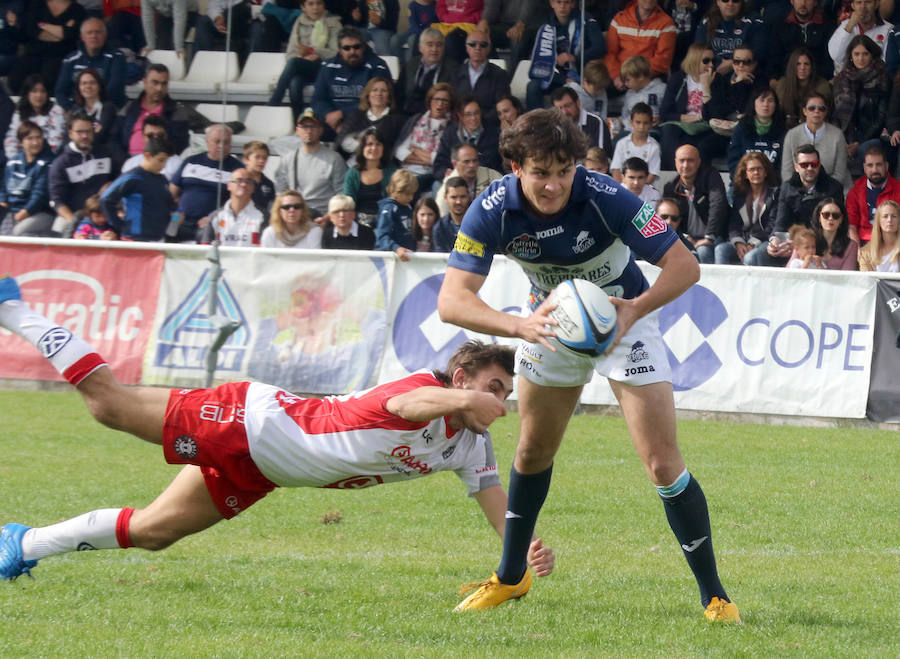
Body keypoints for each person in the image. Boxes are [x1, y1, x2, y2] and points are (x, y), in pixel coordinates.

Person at [0, 282, 554, 587]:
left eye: (505, 393)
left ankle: (21, 544)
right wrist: (466, 399)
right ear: (461, 379)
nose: (498, 401)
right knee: (110, 405)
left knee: (154, 532)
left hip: (264, 469)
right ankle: (13, 306)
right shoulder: (424, 391)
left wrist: (524, 549)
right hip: (248, 422)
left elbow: (497, 505)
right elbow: (407, 404)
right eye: (493, 387)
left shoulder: (471, 444)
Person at [436, 108, 739, 622]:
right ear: (515, 167)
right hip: (549, 327)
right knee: (532, 450)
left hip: (626, 319)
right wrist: (521, 326)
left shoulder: (607, 196)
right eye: (540, 172)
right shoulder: (491, 209)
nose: (553, 184)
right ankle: (511, 577)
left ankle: (715, 596)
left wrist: (634, 311)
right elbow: (452, 302)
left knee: (662, 463)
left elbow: (686, 265)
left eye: (564, 170)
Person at [767, 144, 845, 267]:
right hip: (792, 241)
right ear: (796, 167)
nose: (809, 168)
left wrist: (799, 244)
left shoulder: (833, 188)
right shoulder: (787, 188)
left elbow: (833, 224)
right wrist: (775, 242)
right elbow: (781, 223)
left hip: (820, 244)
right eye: (804, 165)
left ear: (819, 165)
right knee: (756, 257)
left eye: (813, 164)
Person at [311, 27, 392, 138]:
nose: (352, 51)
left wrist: (341, 114)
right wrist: (329, 116)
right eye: (347, 48)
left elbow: (378, 101)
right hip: (331, 122)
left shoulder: (377, 66)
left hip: (364, 122)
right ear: (339, 50)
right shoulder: (328, 66)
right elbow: (318, 99)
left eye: (356, 47)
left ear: (363, 47)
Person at [267, 0, 342, 119]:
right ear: (303, 7)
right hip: (303, 65)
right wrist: (305, 57)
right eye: (311, 4)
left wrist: (314, 52)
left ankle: (274, 102)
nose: (315, 8)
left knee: (294, 63)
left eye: (319, 3)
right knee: (295, 82)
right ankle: (298, 121)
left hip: (325, 67)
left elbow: (337, 53)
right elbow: (291, 52)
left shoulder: (334, 23)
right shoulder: (300, 22)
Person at [169, 124, 244, 243]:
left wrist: (215, 217)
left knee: (205, 238)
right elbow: (170, 193)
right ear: (207, 141)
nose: (221, 146)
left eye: (226, 142)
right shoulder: (191, 161)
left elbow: (239, 203)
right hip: (180, 216)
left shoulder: (237, 170)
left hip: (212, 221)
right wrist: (174, 213)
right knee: (167, 231)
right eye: (217, 141)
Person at [525, 0, 605, 110]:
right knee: (533, 86)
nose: (562, 6)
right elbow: (540, 64)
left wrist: (574, 58)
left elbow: (600, 48)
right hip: (557, 78)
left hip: (582, 77)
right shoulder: (545, 25)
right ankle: (536, 123)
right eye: (558, 2)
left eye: (566, 2)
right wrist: (564, 80)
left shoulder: (585, 20)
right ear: (552, 3)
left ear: (573, 4)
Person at [48, 112, 117, 238]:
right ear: (70, 134)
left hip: (102, 216)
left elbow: (117, 181)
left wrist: (110, 187)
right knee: (60, 231)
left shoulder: (106, 154)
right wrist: (74, 222)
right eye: (79, 132)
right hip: (72, 216)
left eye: (88, 131)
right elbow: (57, 201)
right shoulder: (60, 164)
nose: (85, 136)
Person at [100, 136, 176, 242]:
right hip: (134, 239)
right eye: (160, 160)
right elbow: (105, 199)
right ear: (147, 155)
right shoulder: (132, 177)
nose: (163, 165)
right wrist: (120, 226)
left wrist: (176, 218)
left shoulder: (162, 179)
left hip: (159, 239)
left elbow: (171, 208)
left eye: (166, 161)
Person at [275, 108, 347, 219]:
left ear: (320, 130)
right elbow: (281, 193)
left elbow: (341, 195)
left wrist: (328, 217)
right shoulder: (288, 160)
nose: (308, 131)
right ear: (297, 130)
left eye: (313, 127)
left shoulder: (334, 159)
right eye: (304, 127)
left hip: (324, 217)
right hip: (295, 216)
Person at [662, 144, 729, 264]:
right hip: (686, 238)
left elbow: (718, 205)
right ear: (676, 163)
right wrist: (686, 238)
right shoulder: (671, 187)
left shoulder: (711, 177)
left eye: (690, 160)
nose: (686, 165)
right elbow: (670, 218)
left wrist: (709, 236)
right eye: (682, 161)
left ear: (698, 162)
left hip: (714, 236)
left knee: (703, 251)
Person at [832, 35, 890, 170]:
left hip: (872, 135)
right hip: (845, 135)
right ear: (851, 55)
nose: (860, 58)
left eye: (865, 54)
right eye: (856, 54)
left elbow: (881, 118)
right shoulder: (841, 79)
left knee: (868, 148)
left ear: (872, 55)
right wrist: (843, 141)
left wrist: (859, 142)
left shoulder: (882, 77)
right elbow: (835, 115)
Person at [659, 43, 719, 169]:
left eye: (713, 61)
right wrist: (695, 117)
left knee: (703, 144)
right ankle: (672, 174)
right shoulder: (678, 79)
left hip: (706, 128)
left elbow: (714, 115)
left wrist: (707, 88)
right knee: (669, 131)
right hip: (684, 125)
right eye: (706, 61)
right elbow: (665, 113)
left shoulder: (717, 80)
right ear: (694, 60)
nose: (711, 65)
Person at [7, 0, 87, 95]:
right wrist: (60, 32)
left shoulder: (78, 10)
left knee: (51, 78)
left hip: (60, 54)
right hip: (34, 53)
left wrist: (42, 26)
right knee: (16, 79)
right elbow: (32, 30)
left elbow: (71, 34)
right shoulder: (36, 5)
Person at [54, 17, 127, 110]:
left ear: (105, 35)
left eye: (98, 32)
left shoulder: (117, 57)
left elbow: (115, 88)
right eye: (89, 32)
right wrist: (73, 110)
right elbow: (60, 91)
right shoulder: (70, 59)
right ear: (82, 37)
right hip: (76, 112)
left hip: (109, 110)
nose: (94, 36)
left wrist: (94, 109)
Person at [780, 92, 851, 189]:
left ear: (826, 112)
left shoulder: (837, 135)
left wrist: (819, 192)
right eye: (812, 108)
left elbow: (840, 173)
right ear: (804, 111)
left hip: (832, 190)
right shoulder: (791, 135)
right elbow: (787, 173)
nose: (816, 111)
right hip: (799, 190)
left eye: (821, 108)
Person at [394, 83, 455, 191]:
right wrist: (428, 159)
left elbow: (440, 159)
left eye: (445, 100)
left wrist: (415, 150)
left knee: (406, 187)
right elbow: (399, 151)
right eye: (436, 99)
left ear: (450, 104)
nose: (440, 104)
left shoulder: (451, 127)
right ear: (430, 101)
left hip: (429, 175)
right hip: (406, 171)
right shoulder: (416, 119)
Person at [120, 64, 190, 157]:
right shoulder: (129, 108)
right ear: (144, 82)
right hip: (128, 160)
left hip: (160, 162)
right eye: (155, 83)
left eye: (164, 84)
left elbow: (179, 145)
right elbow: (115, 140)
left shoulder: (177, 111)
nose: (159, 88)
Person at [605, 0, 676, 91]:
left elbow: (662, 60)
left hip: (647, 79)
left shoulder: (666, 23)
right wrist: (616, 76)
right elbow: (609, 53)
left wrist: (636, 77)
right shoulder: (619, 19)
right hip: (620, 78)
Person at [724, 151, 780, 265]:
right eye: (752, 169)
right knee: (721, 249)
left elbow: (772, 224)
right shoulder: (739, 195)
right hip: (743, 240)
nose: (756, 172)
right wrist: (738, 242)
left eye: (759, 169)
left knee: (750, 257)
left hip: (765, 240)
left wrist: (753, 243)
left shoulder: (775, 194)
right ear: (745, 174)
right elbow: (733, 224)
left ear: (765, 172)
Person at [0, 121, 53, 237]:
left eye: (38, 137)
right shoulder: (12, 162)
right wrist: (2, 205)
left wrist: (22, 214)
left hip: (40, 213)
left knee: (16, 233)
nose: (35, 142)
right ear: (21, 143)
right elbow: (3, 189)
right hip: (12, 212)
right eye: (30, 138)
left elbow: (39, 195)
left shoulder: (47, 164)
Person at [448, 29, 511, 125]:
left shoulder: (500, 75)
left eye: (483, 45)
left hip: (488, 128)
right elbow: (451, 104)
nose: (478, 48)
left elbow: (501, 107)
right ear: (466, 48)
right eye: (473, 44)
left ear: (489, 48)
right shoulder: (455, 73)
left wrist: (476, 121)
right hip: (458, 126)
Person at [433, 97, 503, 180]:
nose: (473, 118)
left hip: (484, 181)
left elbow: (493, 163)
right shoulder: (450, 134)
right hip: (454, 180)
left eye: (476, 113)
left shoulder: (493, 134)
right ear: (460, 116)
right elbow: (439, 164)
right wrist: (445, 172)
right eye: (468, 114)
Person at [767, 0, 836, 82]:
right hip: (787, 80)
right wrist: (774, 79)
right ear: (792, 1)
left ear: (815, 2)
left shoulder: (828, 25)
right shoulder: (780, 25)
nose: (803, 3)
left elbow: (828, 60)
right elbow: (774, 57)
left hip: (817, 80)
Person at [396, 27, 459, 116]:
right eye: (430, 45)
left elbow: (452, 100)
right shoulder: (411, 64)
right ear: (420, 48)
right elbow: (399, 93)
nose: (434, 49)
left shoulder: (453, 69)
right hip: (407, 114)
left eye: (439, 45)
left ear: (444, 48)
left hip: (437, 115)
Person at [337, 77, 407, 158]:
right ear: (368, 95)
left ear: (389, 96)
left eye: (383, 91)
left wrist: (361, 141)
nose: (379, 93)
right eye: (374, 90)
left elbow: (392, 147)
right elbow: (343, 143)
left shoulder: (397, 120)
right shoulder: (356, 116)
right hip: (355, 163)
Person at [694, 0, 766, 76]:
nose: (730, 4)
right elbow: (698, 50)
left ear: (741, 3)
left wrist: (733, 63)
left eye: (735, 0)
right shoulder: (707, 21)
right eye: (725, 0)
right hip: (712, 71)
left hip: (744, 72)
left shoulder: (754, 21)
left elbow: (759, 52)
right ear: (718, 2)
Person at [846, 144, 900, 244]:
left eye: (879, 165)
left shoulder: (898, 189)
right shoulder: (855, 190)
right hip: (864, 243)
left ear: (886, 166)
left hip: (893, 242)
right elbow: (852, 226)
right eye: (870, 165)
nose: (875, 170)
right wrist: (857, 251)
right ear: (864, 167)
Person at [726, 87, 786, 176]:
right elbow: (733, 161)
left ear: (775, 105)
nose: (766, 104)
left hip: (773, 184)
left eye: (770, 101)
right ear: (754, 103)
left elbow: (784, 165)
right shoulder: (741, 128)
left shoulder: (783, 131)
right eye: (762, 100)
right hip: (745, 181)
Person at [343, 128, 398, 226]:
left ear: (383, 148)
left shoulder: (394, 172)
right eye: (370, 144)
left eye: (378, 144)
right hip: (357, 223)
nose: (374, 148)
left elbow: (396, 202)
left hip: (385, 222)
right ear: (362, 147)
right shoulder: (352, 173)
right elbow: (348, 202)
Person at [3, 76, 66, 160]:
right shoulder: (20, 112)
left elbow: (55, 143)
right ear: (27, 93)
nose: (39, 95)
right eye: (34, 91)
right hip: (22, 159)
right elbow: (11, 139)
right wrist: (15, 160)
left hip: (48, 159)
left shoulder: (56, 111)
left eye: (42, 91)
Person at [770, 46, 834, 129]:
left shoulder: (823, 86)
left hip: (814, 129)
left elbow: (826, 115)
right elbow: (778, 113)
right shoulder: (783, 84)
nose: (802, 68)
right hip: (784, 130)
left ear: (811, 67)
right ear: (792, 66)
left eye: (806, 64)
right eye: (798, 64)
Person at [200, 168, 265, 246]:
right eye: (239, 181)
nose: (243, 185)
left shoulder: (263, 216)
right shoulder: (215, 216)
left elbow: (264, 250)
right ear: (229, 186)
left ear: (253, 188)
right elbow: (206, 247)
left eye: (248, 182)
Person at [435, 143, 502, 216]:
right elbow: (442, 215)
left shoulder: (491, 176)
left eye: (475, 160)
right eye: (466, 161)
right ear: (455, 164)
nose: (472, 165)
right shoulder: (447, 187)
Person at [828, 0, 892, 74]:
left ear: (876, 4)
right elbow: (836, 56)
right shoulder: (845, 26)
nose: (863, 7)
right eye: (859, 2)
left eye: (868, 2)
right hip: (846, 79)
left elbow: (887, 62)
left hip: (875, 79)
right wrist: (849, 26)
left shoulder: (888, 30)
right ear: (852, 5)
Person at [120, 115, 184, 182]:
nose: (155, 139)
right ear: (143, 137)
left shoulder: (177, 162)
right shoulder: (130, 163)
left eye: (160, 135)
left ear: (166, 136)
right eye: (150, 135)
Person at [67, 69, 119, 150]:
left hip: (103, 151)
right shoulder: (75, 110)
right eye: (84, 83)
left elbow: (100, 134)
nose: (88, 86)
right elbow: (68, 136)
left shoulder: (108, 108)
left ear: (99, 86)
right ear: (79, 88)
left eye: (92, 83)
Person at [610, 103, 661, 184]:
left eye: (645, 123)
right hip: (623, 188)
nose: (641, 127)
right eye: (638, 122)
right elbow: (616, 170)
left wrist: (637, 186)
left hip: (645, 189)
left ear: (651, 123)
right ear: (631, 122)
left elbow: (652, 175)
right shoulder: (622, 143)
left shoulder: (654, 146)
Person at [374, 168, 419, 259]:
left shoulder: (407, 207)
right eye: (407, 194)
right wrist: (396, 248)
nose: (411, 198)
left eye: (412, 194)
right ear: (396, 190)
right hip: (388, 258)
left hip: (405, 256)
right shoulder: (389, 209)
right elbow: (382, 236)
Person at [550, 86, 611, 153]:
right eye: (559, 108)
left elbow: (600, 156)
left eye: (568, 106)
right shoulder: (554, 125)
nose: (564, 112)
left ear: (578, 103)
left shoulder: (596, 122)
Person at [618, 56, 667, 130]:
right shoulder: (629, 94)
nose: (625, 84)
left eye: (628, 80)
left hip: (652, 132)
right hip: (629, 133)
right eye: (624, 81)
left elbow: (669, 112)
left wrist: (660, 118)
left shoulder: (661, 89)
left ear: (640, 76)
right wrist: (618, 121)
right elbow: (625, 116)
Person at [810, 197, 859, 269]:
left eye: (836, 215)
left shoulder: (851, 246)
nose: (830, 218)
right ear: (819, 217)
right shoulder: (804, 240)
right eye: (826, 215)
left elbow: (847, 277)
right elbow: (790, 270)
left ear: (841, 219)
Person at [858, 199, 900, 270]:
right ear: (878, 221)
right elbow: (867, 279)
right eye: (885, 216)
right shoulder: (865, 253)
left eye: (894, 216)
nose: (889, 220)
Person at [433, 175, 471, 251]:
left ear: (469, 197)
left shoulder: (479, 224)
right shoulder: (440, 228)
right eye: (454, 197)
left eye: (463, 197)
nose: (458, 201)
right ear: (445, 198)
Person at [241, 141, 276, 216]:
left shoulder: (269, 184)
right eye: (257, 157)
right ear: (246, 160)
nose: (261, 161)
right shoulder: (238, 181)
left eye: (264, 158)